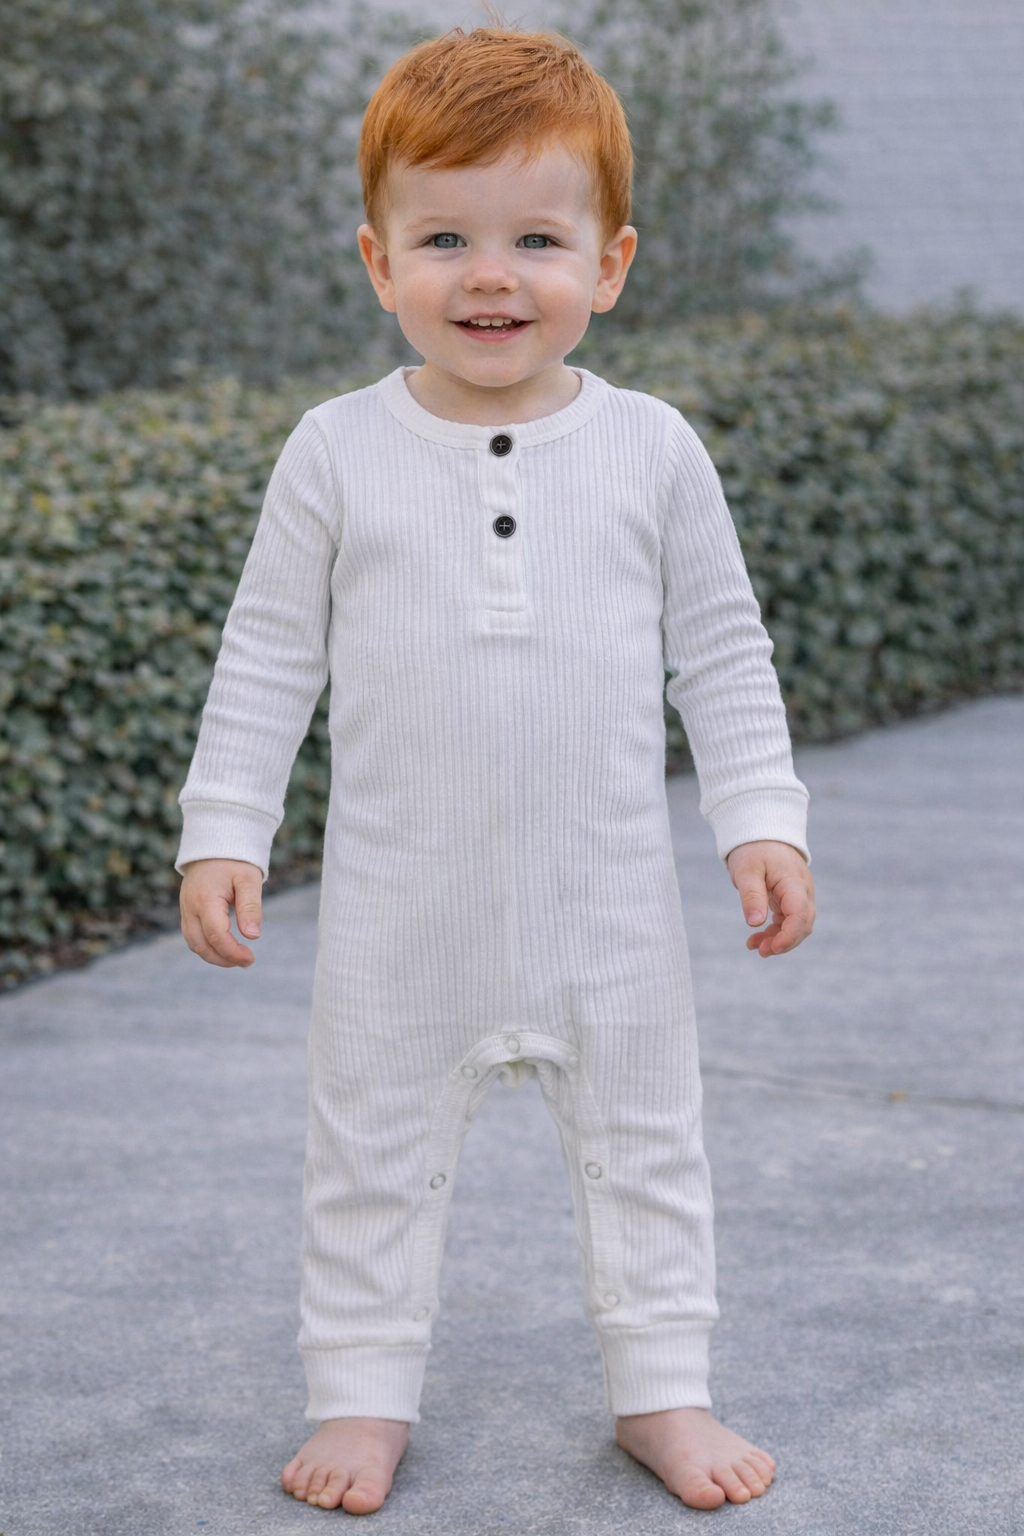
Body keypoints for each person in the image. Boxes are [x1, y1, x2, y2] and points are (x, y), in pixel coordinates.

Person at [176, 22, 816, 1516]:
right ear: (375, 258)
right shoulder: (335, 451)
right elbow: (267, 656)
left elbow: (720, 651)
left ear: (611, 263)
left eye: (537, 237)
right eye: (443, 236)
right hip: (405, 909)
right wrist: (226, 831)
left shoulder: (654, 450)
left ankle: (662, 1387)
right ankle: (361, 1390)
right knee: (371, 1149)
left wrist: (759, 819)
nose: (488, 274)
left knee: (648, 1141)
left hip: (608, 908)